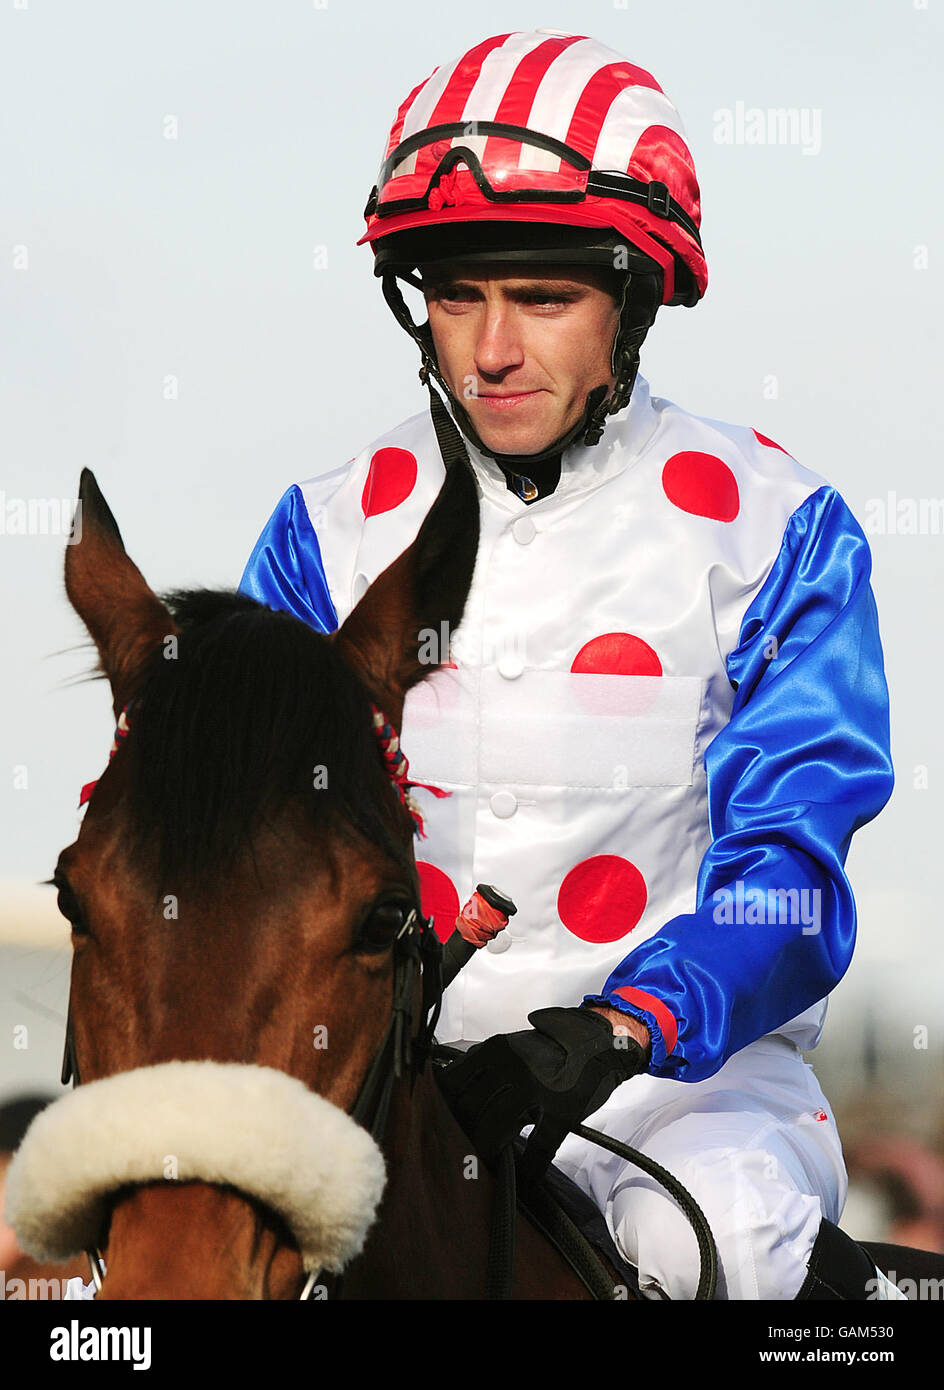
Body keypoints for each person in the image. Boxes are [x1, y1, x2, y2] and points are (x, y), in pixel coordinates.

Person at [240, 30, 901, 1300]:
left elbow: (789, 882)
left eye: (542, 299)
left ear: (633, 301)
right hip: (383, 1075)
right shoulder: (320, 534)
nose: (488, 352)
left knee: (718, 1248)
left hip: (678, 1087)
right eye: (453, 294)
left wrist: (615, 1028)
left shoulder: (776, 525)